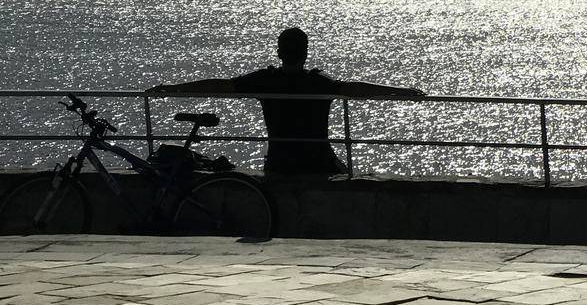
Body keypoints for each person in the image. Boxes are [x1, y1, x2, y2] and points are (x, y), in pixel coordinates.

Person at [146, 27, 425, 177]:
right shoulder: (319, 83)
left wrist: (174, 88)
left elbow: (221, 84)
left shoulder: (265, 80)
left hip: (281, 163)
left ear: (279, 52)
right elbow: (354, 89)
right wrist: (399, 91)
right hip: (318, 162)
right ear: (306, 53)